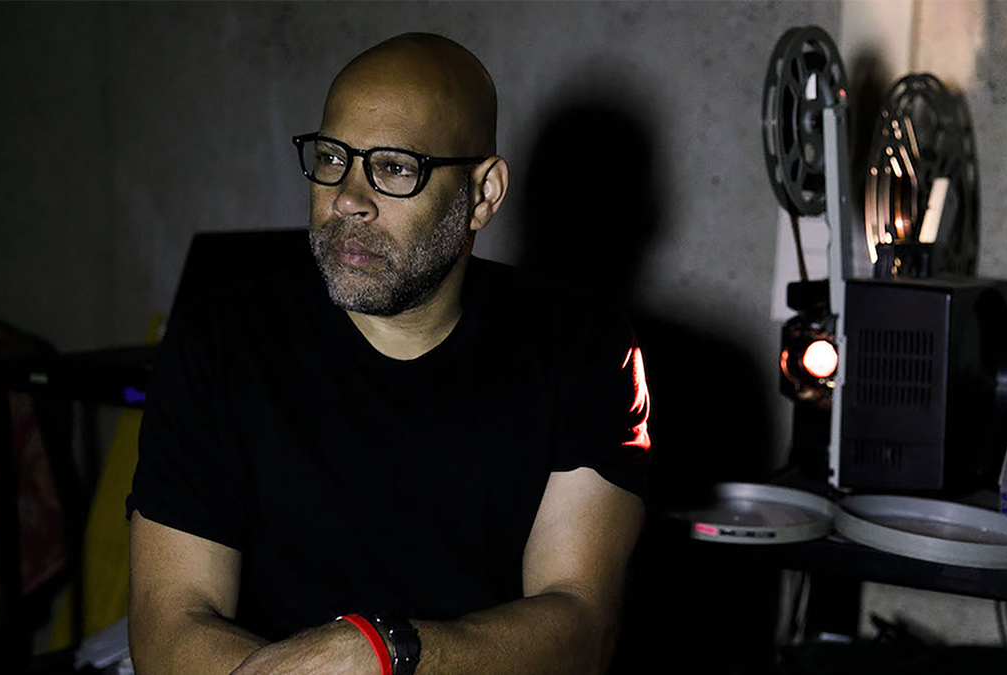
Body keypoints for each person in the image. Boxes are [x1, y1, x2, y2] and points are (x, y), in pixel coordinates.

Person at [127, 33, 650, 675]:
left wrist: (382, 654)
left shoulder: (584, 346)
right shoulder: (221, 341)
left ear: (483, 193)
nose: (348, 197)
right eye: (332, 158)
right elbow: (167, 627)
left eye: (396, 168)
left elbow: (580, 623)